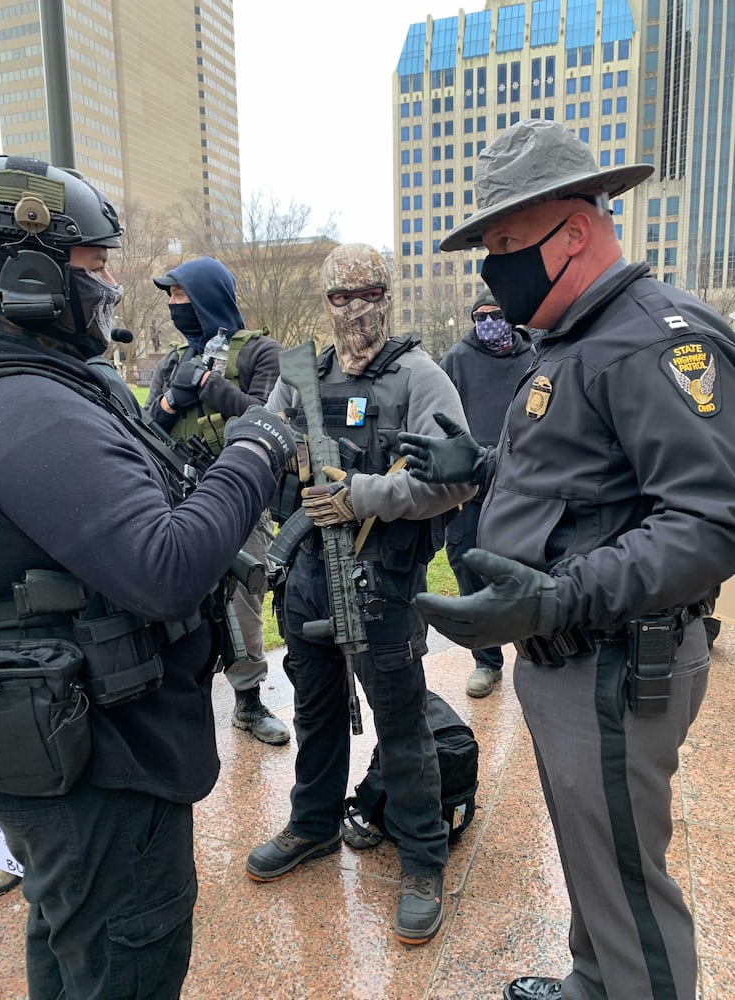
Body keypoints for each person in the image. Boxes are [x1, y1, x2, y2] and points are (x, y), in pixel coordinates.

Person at [397, 120, 735, 1000]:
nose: (492, 268)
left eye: (506, 244)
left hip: (615, 662)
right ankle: (596, 977)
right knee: (594, 852)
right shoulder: (573, 337)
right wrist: (477, 469)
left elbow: (708, 521)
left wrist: (556, 600)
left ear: (574, 231)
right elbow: (577, 481)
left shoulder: (655, 340)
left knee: (628, 875)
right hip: (570, 659)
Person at [0, 154, 295, 999]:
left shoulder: (40, 386)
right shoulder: (22, 404)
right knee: (126, 961)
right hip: (101, 772)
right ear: (24, 275)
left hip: (74, 752)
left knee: (68, 941)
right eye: (94, 269)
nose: (110, 287)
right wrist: (257, 447)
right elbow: (163, 566)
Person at [247, 243, 475, 945]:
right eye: (340, 298)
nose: (354, 308)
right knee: (315, 714)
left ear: (387, 295)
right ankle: (313, 825)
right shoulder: (302, 377)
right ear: (327, 303)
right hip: (309, 577)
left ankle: (423, 861)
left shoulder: (420, 376)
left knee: (401, 726)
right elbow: (265, 442)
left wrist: (363, 494)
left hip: (384, 583)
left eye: (367, 292)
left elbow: (459, 475)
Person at [145, 257, 289, 745]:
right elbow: (144, 430)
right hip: (176, 499)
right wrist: (170, 401)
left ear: (206, 296)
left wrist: (211, 387)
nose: (172, 306)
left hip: (239, 498)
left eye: (179, 296)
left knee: (244, 601)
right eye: (169, 297)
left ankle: (247, 701)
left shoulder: (260, 352)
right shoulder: (171, 360)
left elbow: (272, 419)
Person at [440, 287, 534, 698]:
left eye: (496, 314)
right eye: (480, 317)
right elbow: (437, 417)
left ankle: (535, 650)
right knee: (466, 566)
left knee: (525, 569)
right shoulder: (456, 361)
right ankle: (486, 660)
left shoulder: (537, 358)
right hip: (468, 491)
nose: (488, 324)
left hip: (522, 487)